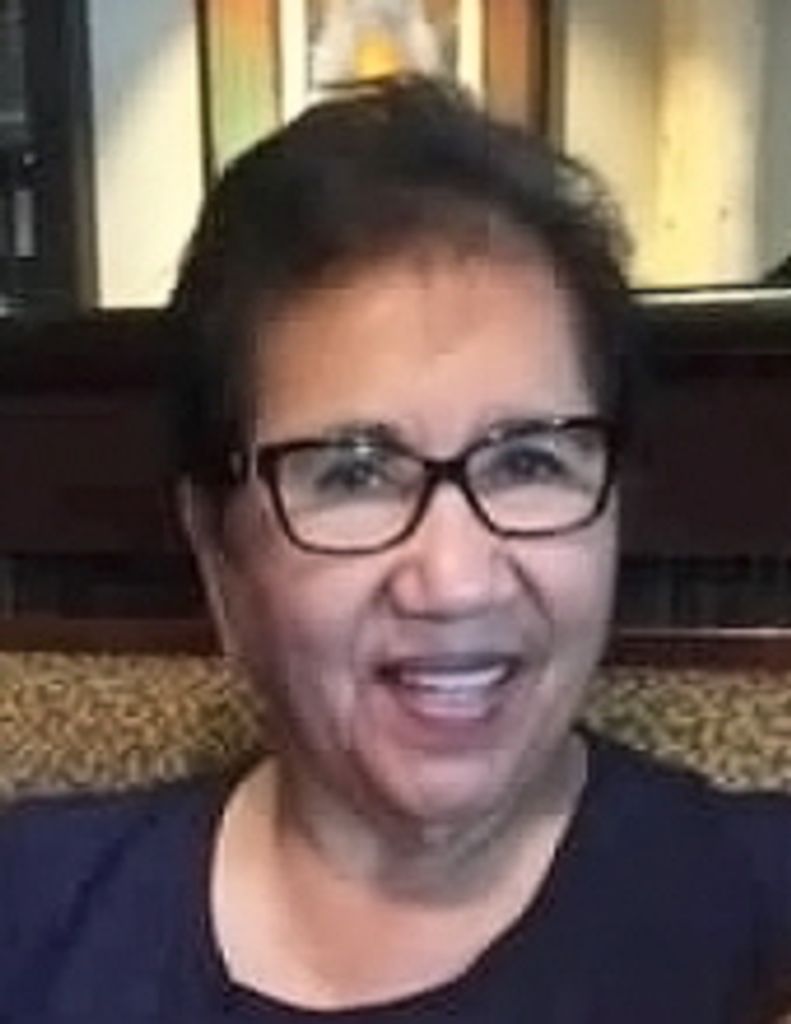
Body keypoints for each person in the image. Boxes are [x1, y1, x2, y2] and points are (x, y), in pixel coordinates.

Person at [1, 76, 790, 1023]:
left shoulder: (754, 922)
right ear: (220, 556)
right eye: (353, 474)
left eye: (528, 461)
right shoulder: (33, 911)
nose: (454, 582)